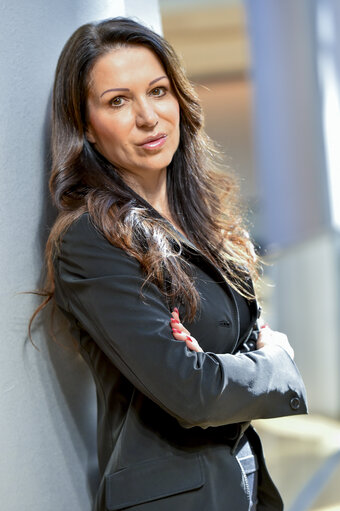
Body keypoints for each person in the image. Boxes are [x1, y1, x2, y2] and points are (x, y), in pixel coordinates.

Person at [30, 17, 307, 511]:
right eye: (118, 101)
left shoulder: (204, 224)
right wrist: (274, 365)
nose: (148, 117)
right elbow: (192, 391)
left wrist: (221, 367)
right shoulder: (90, 238)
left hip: (239, 487)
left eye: (158, 91)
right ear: (86, 128)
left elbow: (221, 363)